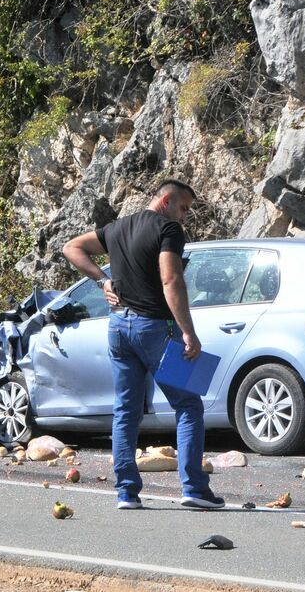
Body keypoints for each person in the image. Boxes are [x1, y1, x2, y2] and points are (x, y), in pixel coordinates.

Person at [62, 179, 224, 510]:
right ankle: (194, 488)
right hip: (157, 329)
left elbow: (71, 247)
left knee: (126, 410)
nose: (184, 217)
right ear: (166, 199)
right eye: (183, 208)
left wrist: (102, 280)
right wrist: (188, 331)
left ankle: (126, 493)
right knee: (188, 405)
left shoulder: (117, 228)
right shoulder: (168, 230)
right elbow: (171, 279)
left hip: (119, 327)